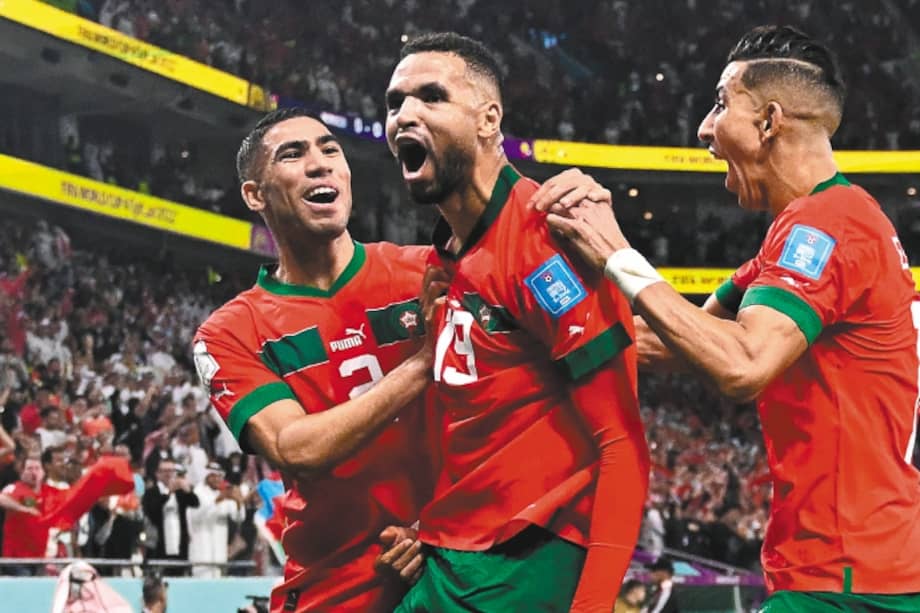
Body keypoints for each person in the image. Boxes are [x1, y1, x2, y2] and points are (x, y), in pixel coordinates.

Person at [535, 25, 920, 612]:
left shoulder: (827, 224)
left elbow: (742, 365)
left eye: (719, 104)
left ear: (768, 121)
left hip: (850, 577)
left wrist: (617, 254)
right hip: (850, 568)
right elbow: (672, 340)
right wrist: (534, 308)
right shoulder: (806, 232)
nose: (704, 129)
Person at [384, 32, 649, 612]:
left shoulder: (544, 237)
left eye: (431, 96)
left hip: (525, 559)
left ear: (488, 119)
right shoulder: (443, 259)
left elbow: (623, 445)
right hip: (448, 556)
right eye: (394, 101)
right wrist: (430, 525)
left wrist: (596, 604)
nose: (405, 114)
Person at [193, 106, 438, 612]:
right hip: (336, 585)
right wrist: (421, 363)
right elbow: (293, 446)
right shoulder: (231, 332)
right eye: (293, 154)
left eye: (330, 149)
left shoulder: (426, 273)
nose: (320, 163)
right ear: (255, 194)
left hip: (455, 554)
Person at [186, 462, 245, 577]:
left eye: (219, 476)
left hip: (219, 551)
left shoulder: (224, 492)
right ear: (206, 476)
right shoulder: (197, 493)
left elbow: (238, 518)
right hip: (201, 551)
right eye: (213, 476)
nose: (217, 479)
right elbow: (196, 517)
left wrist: (238, 502)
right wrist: (217, 501)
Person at [0, 451, 47, 575]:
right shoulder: (16, 488)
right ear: (22, 472)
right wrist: (23, 508)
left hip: (40, 556)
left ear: (43, 471)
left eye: (37, 468)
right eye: (29, 468)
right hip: (17, 558)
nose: (34, 472)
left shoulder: (47, 492)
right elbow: (2, 498)